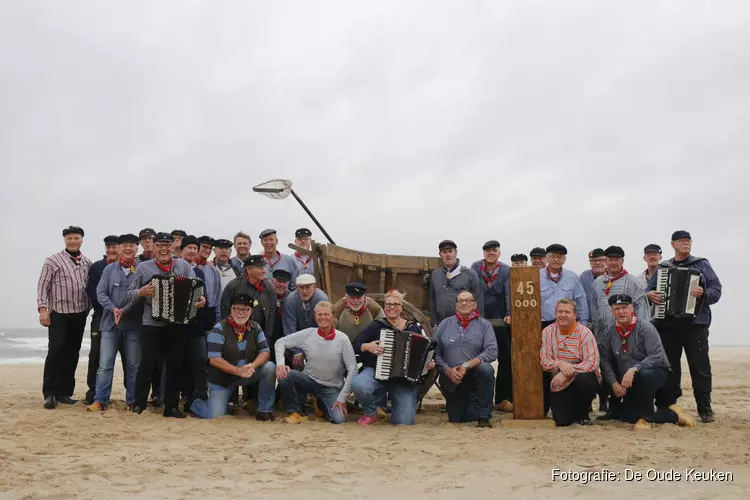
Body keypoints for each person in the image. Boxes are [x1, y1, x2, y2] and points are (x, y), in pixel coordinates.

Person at [647, 230, 722, 423]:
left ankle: (705, 409)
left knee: (700, 367)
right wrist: (651, 296)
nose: (686, 244)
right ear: (673, 244)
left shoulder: (701, 264)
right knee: (670, 368)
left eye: (688, 241)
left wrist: (703, 293)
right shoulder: (664, 267)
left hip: (695, 324)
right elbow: (649, 290)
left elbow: (716, 290)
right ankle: (669, 406)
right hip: (668, 325)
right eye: (681, 241)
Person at [127, 232, 206, 418]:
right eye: (159, 245)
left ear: (173, 247)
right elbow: (128, 293)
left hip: (177, 324)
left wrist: (200, 299)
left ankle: (171, 406)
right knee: (146, 364)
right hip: (151, 323)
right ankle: (139, 403)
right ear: (154, 247)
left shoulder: (183, 266)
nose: (163, 249)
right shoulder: (142, 268)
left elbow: (197, 288)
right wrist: (141, 291)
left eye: (167, 245)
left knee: (174, 365)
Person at [597, 294, 695, 429]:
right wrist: (614, 383)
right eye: (617, 308)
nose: (621, 312)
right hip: (626, 380)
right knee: (627, 417)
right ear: (612, 311)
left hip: (654, 375)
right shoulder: (609, 331)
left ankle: (646, 418)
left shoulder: (645, 327)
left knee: (645, 375)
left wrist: (634, 369)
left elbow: (656, 356)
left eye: (624, 307)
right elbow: (605, 358)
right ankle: (673, 415)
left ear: (631, 308)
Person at [188, 294, 277, 420]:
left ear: (251, 311)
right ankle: (195, 403)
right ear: (231, 309)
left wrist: (253, 365)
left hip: (247, 373)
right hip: (222, 380)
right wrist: (237, 371)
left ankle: (264, 410)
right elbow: (214, 359)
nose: (240, 313)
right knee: (215, 416)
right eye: (236, 309)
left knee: (270, 367)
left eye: (245, 309)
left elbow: (265, 352)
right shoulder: (219, 329)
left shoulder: (256, 327)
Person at [352, 290, 434, 425]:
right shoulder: (376, 326)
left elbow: (424, 354)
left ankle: (396, 406)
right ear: (384, 307)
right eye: (388, 304)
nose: (391, 307)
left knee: (404, 422)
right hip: (376, 372)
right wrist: (368, 346)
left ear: (401, 307)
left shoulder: (412, 328)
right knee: (358, 384)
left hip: (403, 379)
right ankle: (373, 412)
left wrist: (427, 364)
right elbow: (356, 345)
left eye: (395, 304)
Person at [37, 226, 93, 409]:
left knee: (72, 353)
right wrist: (43, 310)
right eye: (69, 238)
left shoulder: (87, 262)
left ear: (82, 239)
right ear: (65, 240)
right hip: (59, 314)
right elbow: (42, 286)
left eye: (76, 238)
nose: (73, 241)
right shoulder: (52, 261)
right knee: (56, 351)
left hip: (79, 314)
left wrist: (89, 308)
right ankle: (50, 394)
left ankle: (64, 393)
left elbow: (90, 287)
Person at [275, 301, 357, 424]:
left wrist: (342, 398)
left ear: (333, 316)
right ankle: (295, 412)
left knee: (339, 419)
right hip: (308, 379)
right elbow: (280, 343)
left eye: (326, 314)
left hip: (331, 386)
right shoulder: (308, 334)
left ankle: (319, 403)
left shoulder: (342, 339)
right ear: (315, 316)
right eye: (319, 314)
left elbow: (353, 368)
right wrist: (280, 364)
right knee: (284, 375)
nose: (323, 317)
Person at [87, 234, 142, 411]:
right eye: (124, 245)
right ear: (118, 248)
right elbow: (100, 292)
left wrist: (125, 310)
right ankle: (100, 400)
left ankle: (133, 401)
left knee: (134, 365)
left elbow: (142, 295)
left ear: (137, 248)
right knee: (105, 364)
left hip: (133, 326)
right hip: (109, 325)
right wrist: (113, 308)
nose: (128, 248)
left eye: (131, 245)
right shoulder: (109, 270)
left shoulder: (142, 269)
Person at [433, 291, 498, 427]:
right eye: (460, 300)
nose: (464, 303)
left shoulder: (484, 325)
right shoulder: (445, 324)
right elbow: (435, 352)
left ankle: (484, 416)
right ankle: (471, 405)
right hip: (452, 376)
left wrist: (466, 365)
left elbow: (492, 351)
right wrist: (447, 370)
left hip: (474, 374)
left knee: (486, 369)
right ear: (456, 305)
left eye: (468, 300)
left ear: (474, 304)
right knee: (457, 418)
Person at [539, 299, 600, 427]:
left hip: (579, 376)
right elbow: (544, 361)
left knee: (586, 380)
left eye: (567, 312)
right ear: (555, 314)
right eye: (560, 311)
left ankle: (583, 414)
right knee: (562, 421)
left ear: (575, 315)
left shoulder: (585, 333)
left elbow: (592, 362)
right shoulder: (547, 332)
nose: (563, 315)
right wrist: (560, 365)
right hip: (558, 380)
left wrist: (568, 372)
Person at [471, 240, 513, 413]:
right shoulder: (475, 267)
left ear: (499, 253)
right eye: (488, 250)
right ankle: (476, 398)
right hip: (479, 319)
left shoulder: (505, 270)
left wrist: (510, 313)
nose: (491, 253)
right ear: (484, 253)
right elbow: (473, 290)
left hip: (500, 320)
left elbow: (509, 292)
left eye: (494, 250)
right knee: (476, 357)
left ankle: (503, 398)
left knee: (506, 358)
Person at [84, 234, 122, 404]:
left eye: (115, 247)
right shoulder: (97, 267)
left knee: (129, 357)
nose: (112, 250)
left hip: (125, 316)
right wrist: (110, 307)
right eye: (109, 247)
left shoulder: (131, 266)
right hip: (101, 315)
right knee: (97, 355)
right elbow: (92, 291)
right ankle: (93, 391)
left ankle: (133, 394)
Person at [429, 239, 484, 326]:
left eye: (450, 251)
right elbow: (432, 301)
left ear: (456, 253)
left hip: (465, 323)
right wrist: (434, 323)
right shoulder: (435, 275)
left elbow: (479, 300)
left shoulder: (470, 274)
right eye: (444, 252)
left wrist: (478, 324)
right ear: (440, 255)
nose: (448, 255)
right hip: (442, 324)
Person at [220, 254, 277, 338]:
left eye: (264, 267)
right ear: (249, 269)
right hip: (236, 336)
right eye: (260, 267)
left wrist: (266, 338)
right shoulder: (234, 286)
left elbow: (271, 315)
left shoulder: (269, 287)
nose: (264, 271)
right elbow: (225, 310)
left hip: (261, 336)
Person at [282, 274, 328, 369]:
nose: (304, 291)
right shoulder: (291, 300)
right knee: (296, 361)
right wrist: (297, 351)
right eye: (301, 288)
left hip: (317, 339)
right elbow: (290, 328)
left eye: (308, 287)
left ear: (314, 287)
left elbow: (324, 327)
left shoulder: (321, 299)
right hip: (297, 338)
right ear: (296, 288)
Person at [539, 244, 588, 328]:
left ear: (564, 260)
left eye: (560, 257)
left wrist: (584, 323)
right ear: (546, 258)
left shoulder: (573, 277)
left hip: (567, 323)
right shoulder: (536, 276)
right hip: (543, 324)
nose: (556, 260)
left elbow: (581, 301)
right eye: (552, 256)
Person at [196, 235, 222, 325]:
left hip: (209, 316)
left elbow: (218, 297)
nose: (207, 250)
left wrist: (218, 320)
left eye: (210, 248)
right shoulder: (189, 268)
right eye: (204, 247)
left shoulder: (214, 271)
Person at [579, 248, 607, 318]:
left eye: (600, 260)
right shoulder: (584, 276)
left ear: (606, 261)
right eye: (594, 260)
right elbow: (580, 299)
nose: (597, 263)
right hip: (589, 322)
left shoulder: (613, 276)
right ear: (590, 263)